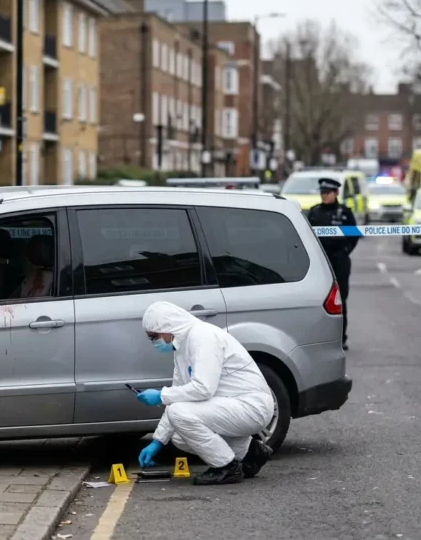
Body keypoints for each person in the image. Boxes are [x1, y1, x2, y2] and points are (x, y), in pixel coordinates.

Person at [136, 301, 275, 486]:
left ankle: (226, 467)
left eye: (154, 336)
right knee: (178, 434)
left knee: (179, 414)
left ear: (167, 327)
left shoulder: (202, 337)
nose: (154, 342)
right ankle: (251, 453)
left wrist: (161, 395)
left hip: (252, 407)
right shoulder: (182, 349)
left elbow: (203, 389)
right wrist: (158, 441)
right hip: (235, 405)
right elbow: (179, 396)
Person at [307, 177, 359, 350]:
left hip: (339, 260)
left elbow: (354, 235)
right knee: (318, 298)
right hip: (320, 260)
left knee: (340, 299)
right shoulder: (314, 212)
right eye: (322, 193)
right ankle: (319, 337)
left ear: (336, 193)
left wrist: (345, 252)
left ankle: (340, 337)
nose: (324, 196)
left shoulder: (345, 213)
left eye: (328, 193)